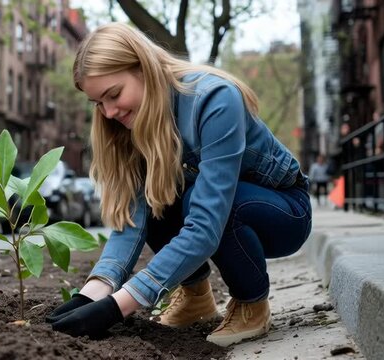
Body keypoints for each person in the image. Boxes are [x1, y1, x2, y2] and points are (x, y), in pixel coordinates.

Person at [45, 23, 312, 347]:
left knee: (204, 202)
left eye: (114, 94)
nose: (109, 112)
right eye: (98, 103)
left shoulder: (214, 100)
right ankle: (196, 297)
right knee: (160, 202)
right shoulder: (132, 123)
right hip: (222, 211)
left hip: (282, 212)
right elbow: (132, 222)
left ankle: (251, 302)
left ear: (143, 67)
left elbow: (207, 223)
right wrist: (93, 293)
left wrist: (120, 305)